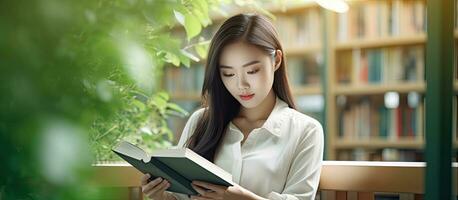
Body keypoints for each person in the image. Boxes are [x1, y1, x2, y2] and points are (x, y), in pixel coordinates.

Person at [140, 13, 324, 200]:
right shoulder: (202, 121)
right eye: (228, 74)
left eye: (252, 71)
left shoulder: (306, 131)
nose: (241, 85)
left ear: (276, 60)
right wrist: (161, 195)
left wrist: (241, 197)